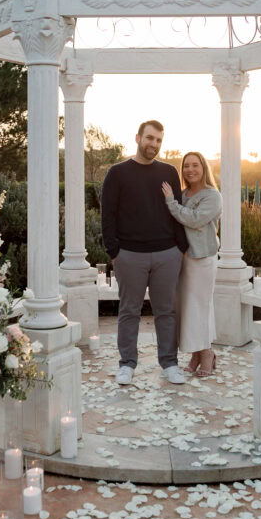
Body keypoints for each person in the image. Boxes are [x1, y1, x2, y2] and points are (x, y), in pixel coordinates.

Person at [101, 120, 188, 386]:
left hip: (167, 254)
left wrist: (180, 247)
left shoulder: (169, 172)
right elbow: (108, 214)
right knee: (129, 311)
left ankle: (169, 364)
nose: (154, 144)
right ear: (137, 138)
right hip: (129, 254)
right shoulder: (117, 173)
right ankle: (127, 364)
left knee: (165, 311)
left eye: (159, 140)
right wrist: (114, 251)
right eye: (150, 138)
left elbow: (177, 210)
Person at [162, 151, 222, 377]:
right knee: (187, 307)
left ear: (203, 168)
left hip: (203, 258)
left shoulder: (212, 196)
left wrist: (172, 204)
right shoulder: (184, 194)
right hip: (183, 258)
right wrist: (179, 209)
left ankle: (206, 352)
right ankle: (197, 353)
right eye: (186, 165)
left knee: (201, 306)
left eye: (195, 165)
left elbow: (194, 219)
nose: (190, 169)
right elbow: (182, 220)